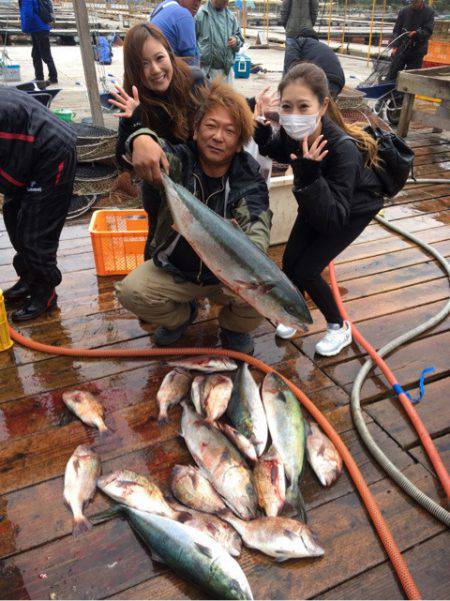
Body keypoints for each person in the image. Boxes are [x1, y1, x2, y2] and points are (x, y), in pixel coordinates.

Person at [116, 81, 272, 355]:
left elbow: (257, 227)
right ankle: (183, 315)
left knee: (261, 296)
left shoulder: (250, 179)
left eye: (230, 131)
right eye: (211, 126)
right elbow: (149, 151)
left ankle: (233, 327)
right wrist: (139, 136)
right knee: (131, 292)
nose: (218, 137)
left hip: (225, 279)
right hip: (177, 270)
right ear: (196, 129)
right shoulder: (178, 162)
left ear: (239, 144)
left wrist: (248, 263)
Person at [254, 63, 383, 356]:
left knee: (308, 269)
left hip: (351, 211)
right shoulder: (294, 132)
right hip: (315, 200)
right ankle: (295, 314)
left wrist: (311, 175)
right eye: (287, 106)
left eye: (303, 106)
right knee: (290, 261)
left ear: (323, 106)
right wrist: (262, 132)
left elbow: (333, 220)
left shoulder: (343, 150)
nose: (294, 115)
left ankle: (339, 326)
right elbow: (278, 150)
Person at [110, 23, 207, 256]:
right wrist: (133, 123)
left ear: (170, 55)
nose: (155, 69)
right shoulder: (134, 98)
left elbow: (203, 142)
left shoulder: (195, 80)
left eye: (159, 58)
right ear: (134, 70)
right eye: (144, 63)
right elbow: (122, 161)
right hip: (159, 189)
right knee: (157, 244)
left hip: (196, 182)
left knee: (196, 249)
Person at [0, 88, 76, 321]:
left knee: (35, 233)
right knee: (13, 217)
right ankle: (28, 278)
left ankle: (45, 290)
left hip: (52, 150)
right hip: (22, 154)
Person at [283, 27, 345, 99]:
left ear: (300, 37)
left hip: (320, 81)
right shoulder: (323, 47)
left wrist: (284, 90)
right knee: (320, 105)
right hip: (337, 84)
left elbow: (290, 64)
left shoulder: (297, 42)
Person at [195, 0, 244, 83]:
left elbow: (240, 38)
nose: (227, 3)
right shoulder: (200, 15)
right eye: (224, 0)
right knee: (208, 96)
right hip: (206, 72)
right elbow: (192, 41)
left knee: (227, 96)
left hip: (226, 72)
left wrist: (236, 41)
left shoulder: (231, 17)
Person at [385, 0, 434, 83]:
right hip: (402, 47)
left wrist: (417, 33)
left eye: (416, 2)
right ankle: (389, 93)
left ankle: (405, 95)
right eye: (412, 2)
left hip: (418, 49)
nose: (413, 4)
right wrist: (394, 47)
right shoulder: (403, 11)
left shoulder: (429, 12)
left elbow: (428, 31)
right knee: (392, 73)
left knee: (411, 78)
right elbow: (396, 30)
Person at [19, 0, 58, 88]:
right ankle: (39, 77)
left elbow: (27, 14)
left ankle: (53, 77)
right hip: (41, 27)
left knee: (46, 55)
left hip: (38, 28)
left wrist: (24, 29)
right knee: (36, 54)